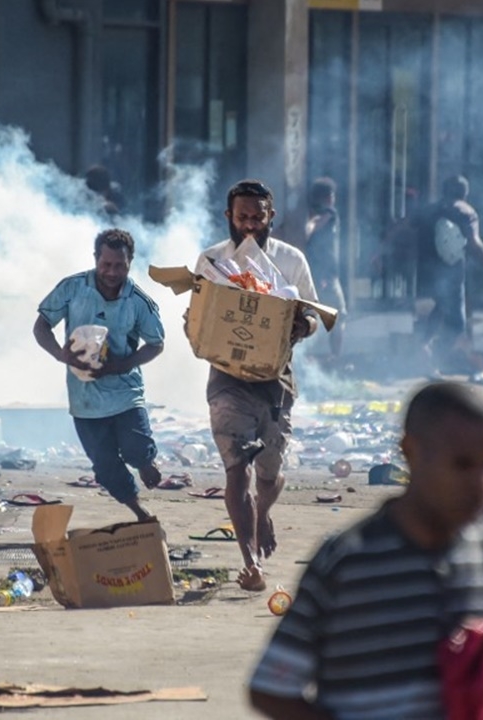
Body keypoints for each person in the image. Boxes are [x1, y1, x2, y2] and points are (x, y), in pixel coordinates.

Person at [249, 383, 483, 719]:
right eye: (462, 464)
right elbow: (271, 688)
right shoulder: (349, 561)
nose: (479, 483)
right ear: (411, 452)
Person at [195, 179, 319, 591]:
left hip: (275, 381)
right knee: (237, 469)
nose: (250, 226)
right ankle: (250, 562)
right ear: (228, 216)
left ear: (271, 217)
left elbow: (314, 315)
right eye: (242, 217)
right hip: (227, 379)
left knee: (269, 474)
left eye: (257, 217)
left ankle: (262, 512)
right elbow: (198, 317)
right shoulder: (211, 260)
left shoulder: (291, 260)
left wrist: (301, 325)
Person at [34, 228, 166, 521]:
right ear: (96, 259)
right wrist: (61, 354)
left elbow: (156, 344)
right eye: (105, 264)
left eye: (119, 265)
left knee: (136, 448)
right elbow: (41, 326)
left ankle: (145, 462)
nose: (111, 272)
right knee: (105, 466)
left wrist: (121, 364)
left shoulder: (138, 301)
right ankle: (139, 512)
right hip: (85, 399)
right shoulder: (72, 288)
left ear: (130, 263)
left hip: (124, 391)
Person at [423, 176, 483, 374]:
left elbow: (405, 225)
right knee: (457, 324)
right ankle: (432, 358)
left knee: (440, 308)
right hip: (452, 272)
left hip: (427, 271)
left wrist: (382, 251)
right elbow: (474, 241)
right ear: (464, 193)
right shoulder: (465, 211)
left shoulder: (432, 210)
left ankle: (423, 345)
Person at [303, 176, 346, 360]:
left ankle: (328, 356)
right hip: (324, 275)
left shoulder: (320, 213)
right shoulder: (328, 213)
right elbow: (311, 228)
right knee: (338, 315)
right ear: (328, 197)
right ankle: (334, 357)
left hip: (321, 273)